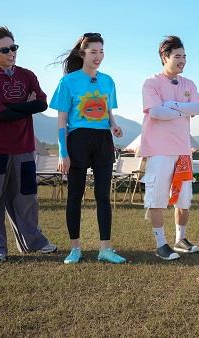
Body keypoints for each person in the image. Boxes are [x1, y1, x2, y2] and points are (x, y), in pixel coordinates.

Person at [0, 26, 57, 263]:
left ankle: (33, 242)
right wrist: (24, 106)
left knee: (26, 198)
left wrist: (10, 107)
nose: (12, 53)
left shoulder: (27, 75)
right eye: (5, 49)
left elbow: (41, 104)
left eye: (14, 47)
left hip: (24, 147)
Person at [50, 33, 125, 264]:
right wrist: (63, 152)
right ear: (82, 54)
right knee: (75, 196)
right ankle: (75, 249)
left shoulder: (108, 81)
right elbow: (62, 122)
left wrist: (114, 126)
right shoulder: (68, 82)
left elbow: (109, 112)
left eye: (101, 52)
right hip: (78, 140)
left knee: (103, 196)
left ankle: (105, 249)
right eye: (93, 52)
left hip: (103, 140)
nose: (98, 56)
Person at [137, 35, 199, 261]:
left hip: (183, 149)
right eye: (177, 56)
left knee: (184, 199)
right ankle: (161, 245)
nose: (182, 60)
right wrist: (185, 110)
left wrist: (172, 105)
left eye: (184, 56)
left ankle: (180, 239)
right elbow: (156, 112)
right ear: (164, 57)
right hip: (159, 150)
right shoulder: (151, 83)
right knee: (156, 198)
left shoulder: (189, 84)